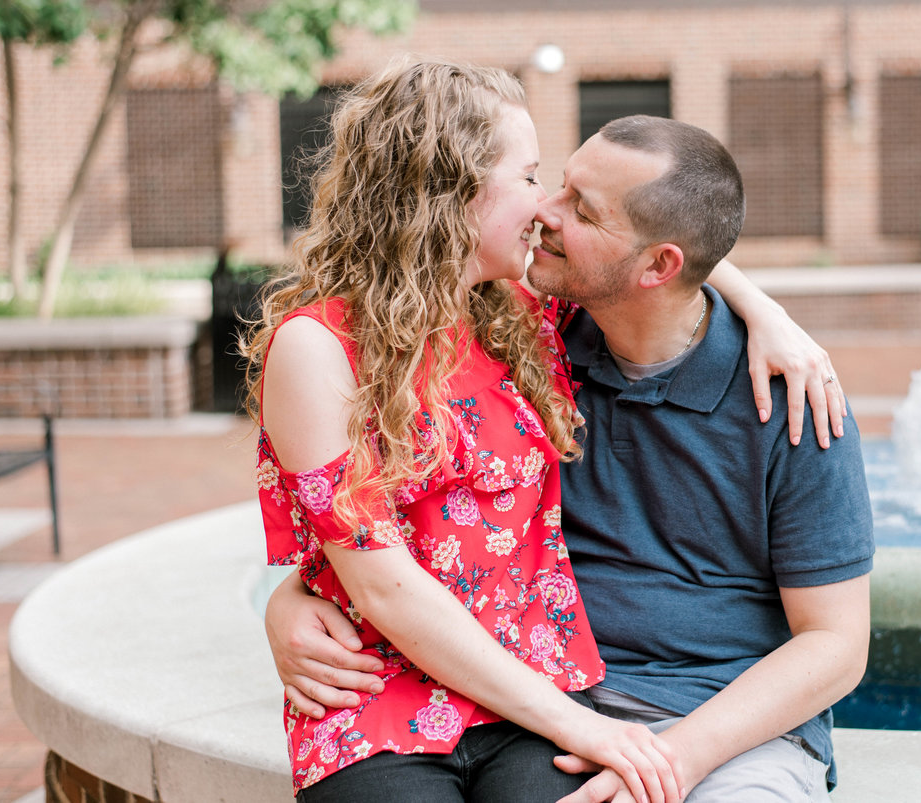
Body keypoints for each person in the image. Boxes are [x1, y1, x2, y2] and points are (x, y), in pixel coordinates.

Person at [266, 114, 874, 802]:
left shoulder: (792, 396)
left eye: (579, 208)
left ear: (658, 267)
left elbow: (837, 646)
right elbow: (404, 531)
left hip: (728, 729)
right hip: (553, 704)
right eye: (551, 183)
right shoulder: (533, 340)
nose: (542, 211)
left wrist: (674, 756)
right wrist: (296, 597)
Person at [244, 58, 687, 803]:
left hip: (530, 690)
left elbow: (661, 262)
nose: (546, 205)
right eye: (528, 177)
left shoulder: (521, 312)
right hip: (375, 698)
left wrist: (769, 318)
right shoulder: (316, 348)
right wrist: (587, 730)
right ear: (448, 192)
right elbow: (382, 586)